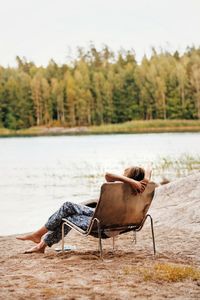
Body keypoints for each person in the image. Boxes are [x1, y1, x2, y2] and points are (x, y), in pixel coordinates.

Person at [17, 165, 152, 254]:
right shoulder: (144, 188)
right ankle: (40, 244)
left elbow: (107, 175)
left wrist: (129, 182)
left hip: (102, 226)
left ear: (128, 177)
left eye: (124, 173)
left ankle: (38, 237)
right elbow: (149, 168)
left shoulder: (120, 187)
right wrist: (141, 180)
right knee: (68, 208)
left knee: (67, 211)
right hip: (118, 224)